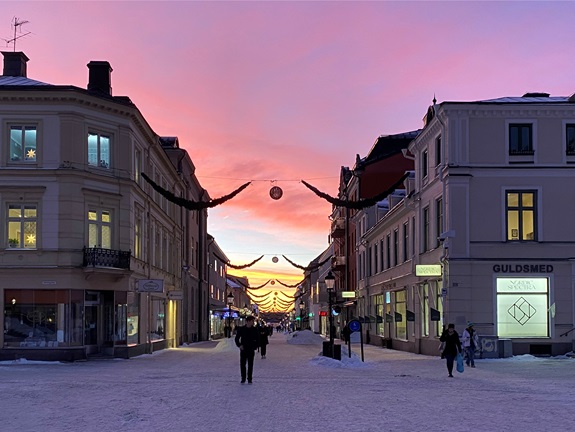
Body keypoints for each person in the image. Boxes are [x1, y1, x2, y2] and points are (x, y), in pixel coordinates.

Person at [235, 315, 259, 384]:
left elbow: (258, 339)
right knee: (243, 364)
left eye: (253, 321)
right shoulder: (242, 329)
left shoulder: (254, 329)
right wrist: (239, 345)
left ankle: (249, 378)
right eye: (252, 321)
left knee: (250, 365)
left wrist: (255, 346)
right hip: (243, 349)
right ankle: (243, 378)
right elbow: (237, 338)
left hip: (251, 349)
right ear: (248, 321)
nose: (253, 322)